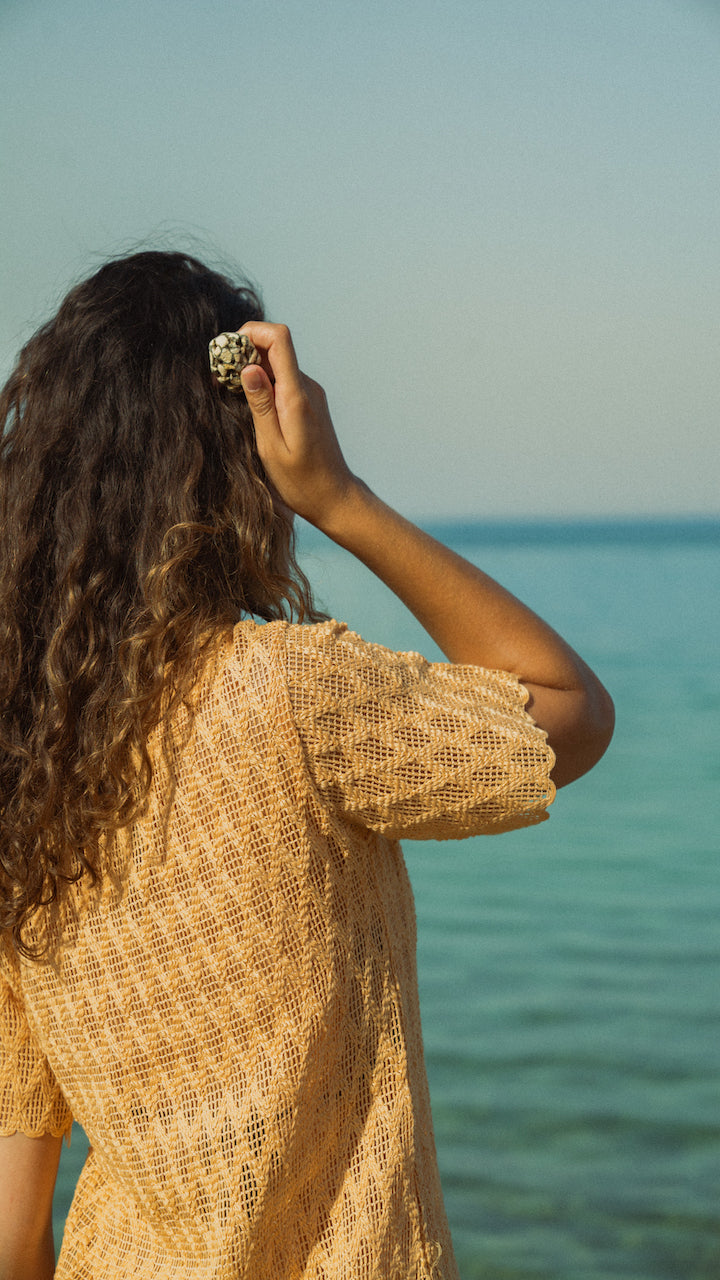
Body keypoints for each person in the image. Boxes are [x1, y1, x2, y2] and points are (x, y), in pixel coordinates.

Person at [0, 251, 613, 1280]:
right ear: (236, 461)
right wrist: (343, 496)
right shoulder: (290, 697)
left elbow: (14, 1217)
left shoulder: (25, 774)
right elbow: (570, 712)